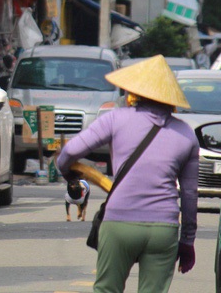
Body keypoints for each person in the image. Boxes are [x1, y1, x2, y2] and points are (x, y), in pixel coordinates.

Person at [56, 55, 198, 293]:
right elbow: (190, 195)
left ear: (136, 92)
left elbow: (70, 151)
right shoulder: (186, 134)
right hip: (163, 229)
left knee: (107, 289)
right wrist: (188, 241)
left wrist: (67, 171)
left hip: (119, 223)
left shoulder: (115, 118)